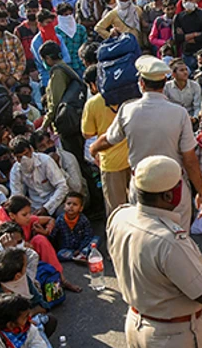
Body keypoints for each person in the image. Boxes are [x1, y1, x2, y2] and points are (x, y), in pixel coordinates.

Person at [107, 155, 202, 348]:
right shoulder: (170, 241)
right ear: (171, 195)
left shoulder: (120, 216)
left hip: (135, 323)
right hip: (171, 339)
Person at [89, 56, 202, 233]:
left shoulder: (128, 110)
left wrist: (93, 149)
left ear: (141, 84)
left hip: (142, 186)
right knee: (178, 241)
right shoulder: (180, 114)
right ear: (164, 83)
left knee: (145, 238)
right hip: (174, 186)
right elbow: (189, 159)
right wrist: (201, 192)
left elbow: (109, 139)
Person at [0, 248, 55, 339]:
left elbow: (42, 305)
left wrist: (27, 316)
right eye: (25, 266)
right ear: (17, 275)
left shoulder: (23, 281)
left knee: (50, 320)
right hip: (3, 338)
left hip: (24, 325)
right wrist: (12, 326)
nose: (27, 268)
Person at [80, 65, 129, 215]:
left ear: (93, 84)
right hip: (134, 157)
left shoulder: (93, 103)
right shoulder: (129, 96)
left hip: (110, 162)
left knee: (117, 211)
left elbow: (87, 133)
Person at [41, 41, 88, 172]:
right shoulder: (67, 68)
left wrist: (44, 125)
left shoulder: (58, 73)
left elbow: (55, 104)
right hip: (75, 120)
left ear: (48, 58)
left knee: (76, 162)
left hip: (68, 124)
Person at [9, 136, 69, 217]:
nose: (24, 159)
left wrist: (46, 208)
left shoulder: (45, 161)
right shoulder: (15, 170)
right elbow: (17, 195)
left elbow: (62, 186)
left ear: (31, 150)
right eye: (20, 157)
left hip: (55, 202)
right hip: (34, 207)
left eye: (26, 154)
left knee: (65, 216)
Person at [0, 222, 39, 293]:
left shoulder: (31, 255)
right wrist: (9, 253)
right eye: (8, 242)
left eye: (18, 242)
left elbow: (26, 283)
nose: (14, 245)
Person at [54, 191, 97, 263]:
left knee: (96, 239)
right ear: (64, 206)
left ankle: (83, 254)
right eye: (68, 204)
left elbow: (88, 235)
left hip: (82, 247)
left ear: (80, 208)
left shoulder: (83, 220)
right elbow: (54, 235)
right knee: (60, 254)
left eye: (75, 204)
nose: (71, 206)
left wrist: (80, 249)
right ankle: (77, 257)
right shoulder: (60, 220)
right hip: (67, 249)